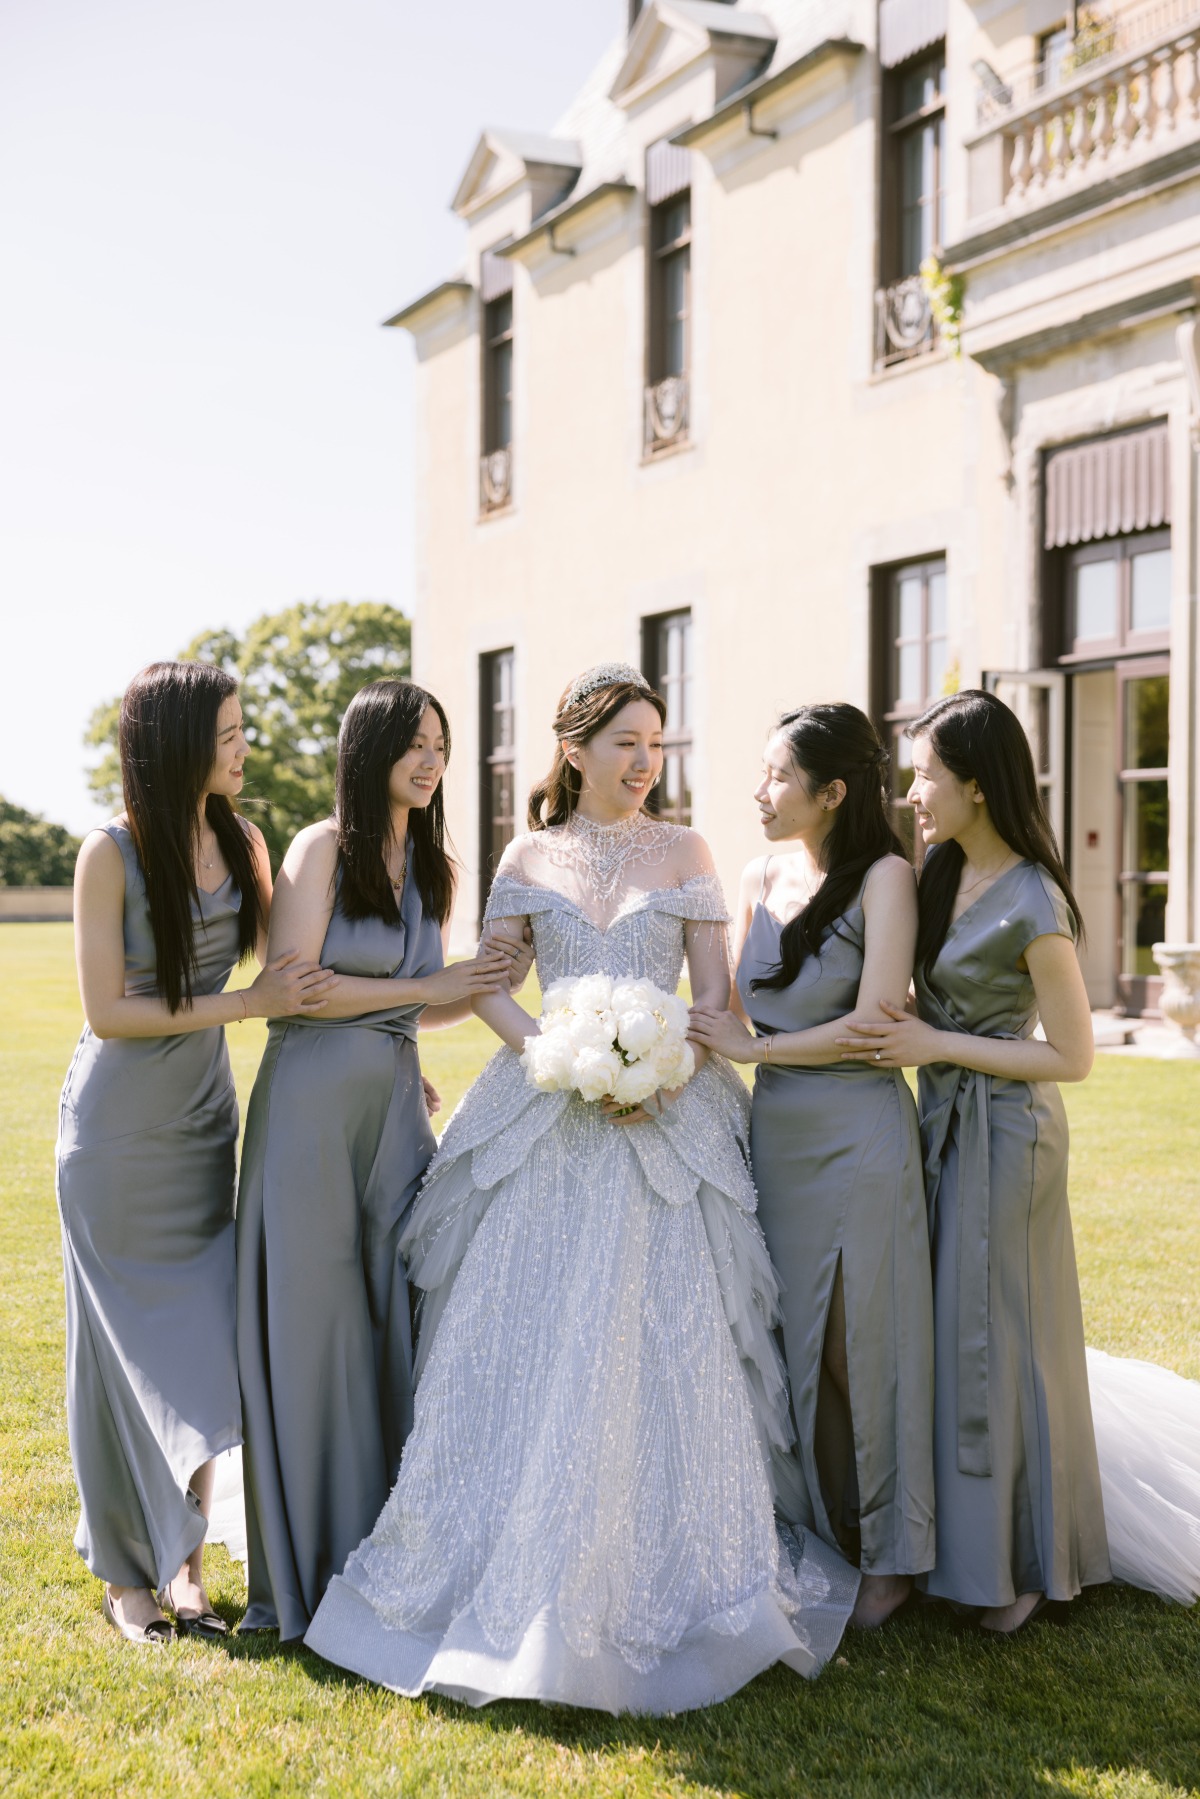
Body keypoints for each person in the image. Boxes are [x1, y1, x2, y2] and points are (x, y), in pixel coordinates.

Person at [304, 663, 858, 1713]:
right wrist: (561, 1056)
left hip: (669, 1114)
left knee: (666, 1337)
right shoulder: (527, 854)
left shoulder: (686, 849)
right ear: (575, 748)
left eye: (657, 743)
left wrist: (660, 1072)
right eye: (625, 744)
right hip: (549, 1111)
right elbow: (495, 990)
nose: (646, 762)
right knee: (510, 1339)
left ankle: (673, 1573)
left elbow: (711, 996)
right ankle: (493, 1567)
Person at [235, 679, 519, 1641]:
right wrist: (420, 987)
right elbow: (289, 992)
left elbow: (412, 997)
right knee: (313, 1326)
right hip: (312, 1105)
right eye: (416, 741)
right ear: (371, 750)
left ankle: (399, 1544)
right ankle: (309, 1558)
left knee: (401, 1304)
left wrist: (471, 984)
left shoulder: (432, 861)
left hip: (396, 1103)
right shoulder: (324, 847)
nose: (434, 758)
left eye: (442, 742)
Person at [57, 660, 332, 1646]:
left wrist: (388, 1047)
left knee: (207, 1349)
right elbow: (109, 1010)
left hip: (202, 1128)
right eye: (228, 730)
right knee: (122, 1359)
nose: (243, 744)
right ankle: (131, 1581)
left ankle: (187, 1568)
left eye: (242, 726)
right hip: (118, 1138)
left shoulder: (242, 837)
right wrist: (250, 1004)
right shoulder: (110, 853)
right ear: (177, 743)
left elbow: (300, 965)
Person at [837, 689, 1109, 1631]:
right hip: (943, 1124)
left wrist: (940, 1046)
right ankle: (958, 1548)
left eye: (927, 776)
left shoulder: (1037, 899)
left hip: (1009, 1138)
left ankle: (1033, 1558)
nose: (914, 793)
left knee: (1006, 1344)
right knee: (953, 1338)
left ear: (979, 787)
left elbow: (1072, 1057)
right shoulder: (941, 872)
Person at [688, 704, 935, 1629]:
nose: (759, 792)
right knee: (789, 1333)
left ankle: (895, 1552)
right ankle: (823, 1523)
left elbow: (878, 1024)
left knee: (860, 1343)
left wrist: (758, 1056)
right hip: (776, 1137)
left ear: (833, 792)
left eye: (778, 778)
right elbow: (732, 1011)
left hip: (859, 1135)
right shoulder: (755, 872)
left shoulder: (886, 878)